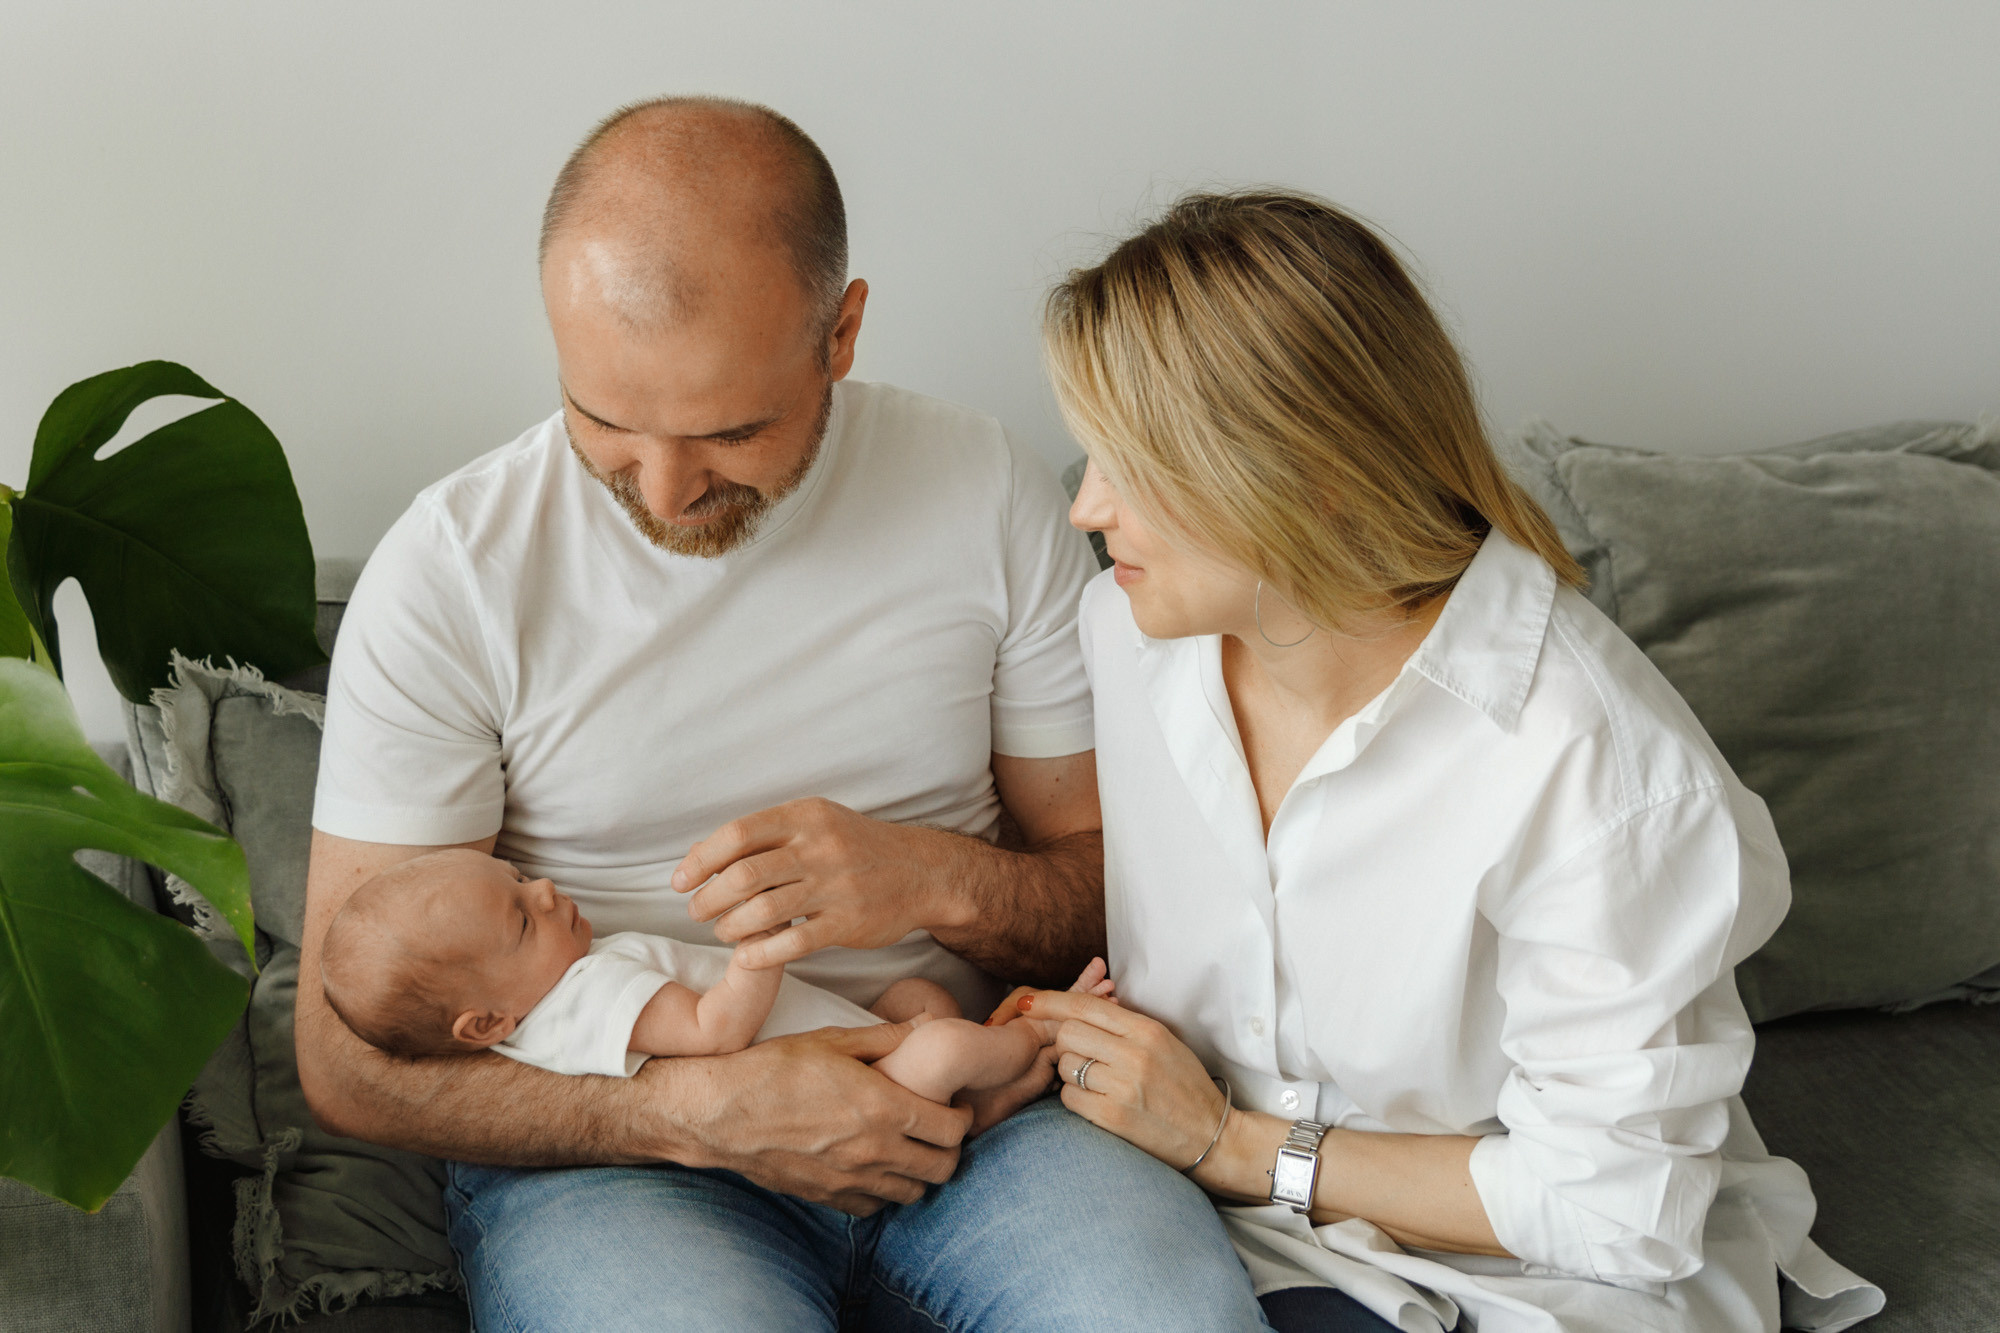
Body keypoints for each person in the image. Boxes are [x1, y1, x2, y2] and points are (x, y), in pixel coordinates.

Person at [295, 97, 1268, 1329]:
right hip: (619, 1165)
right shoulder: (451, 572)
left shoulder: (981, 492)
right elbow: (345, 1059)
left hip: (991, 1121)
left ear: (841, 331)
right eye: (603, 420)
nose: (662, 488)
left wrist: (930, 883)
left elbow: (1124, 890)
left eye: (728, 431)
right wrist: (688, 1113)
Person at [1016, 191, 1884, 1332]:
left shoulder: (1599, 767)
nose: (1086, 506)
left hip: (1525, 1281)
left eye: (1126, 464)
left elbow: (1612, 1209)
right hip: (1196, 1234)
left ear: (1301, 472)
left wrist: (1228, 1141)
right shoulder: (1128, 635)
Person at [317, 847, 1106, 1106]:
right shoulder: (585, 1001)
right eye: (523, 917)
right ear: (486, 1023)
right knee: (937, 1048)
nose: (547, 891)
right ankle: (1041, 1030)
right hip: (845, 1085)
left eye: (521, 877)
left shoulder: (556, 990)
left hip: (850, 1046)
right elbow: (716, 1030)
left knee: (923, 1007)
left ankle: (992, 1096)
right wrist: (762, 942)